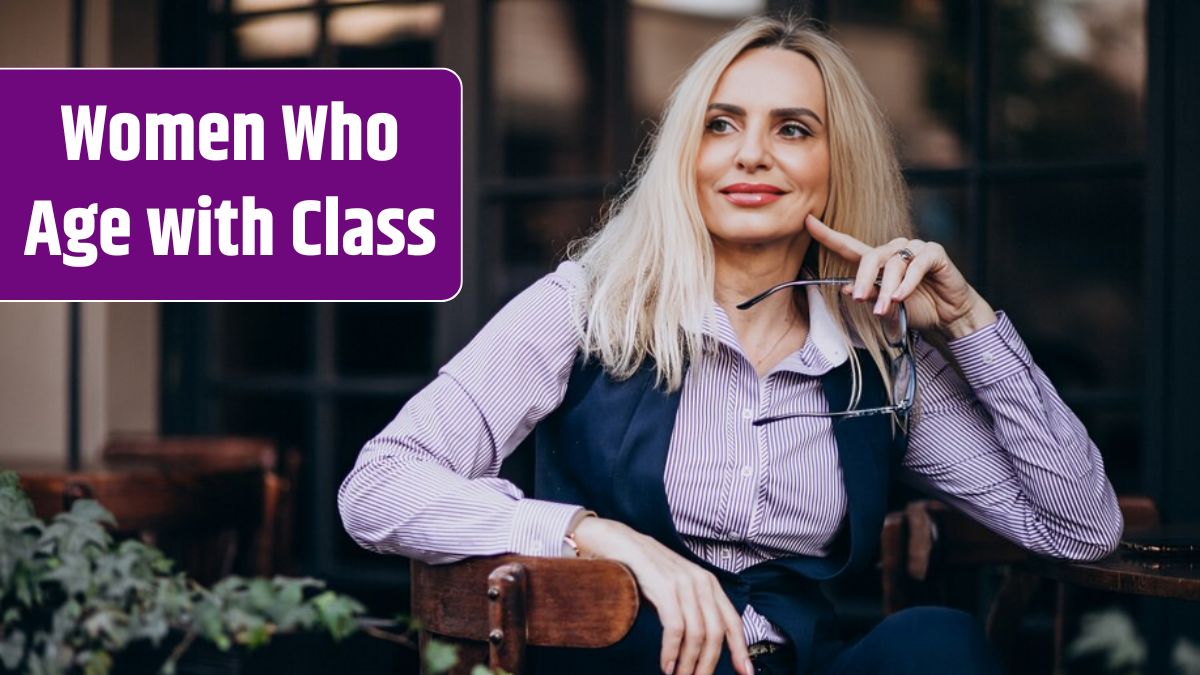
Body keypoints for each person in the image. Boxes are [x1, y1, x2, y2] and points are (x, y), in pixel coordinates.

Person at [338, 14, 1123, 675]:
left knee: (938, 642)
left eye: (792, 128)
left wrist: (969, 325)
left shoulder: (876, 356)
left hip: (794, 659)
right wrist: (595, 534)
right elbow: (378, 486)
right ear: (688, 155)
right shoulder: (588, 308)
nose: (752, 154)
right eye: (721, 124)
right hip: (633, 658)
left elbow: (1079, 527)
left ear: (833, 163)